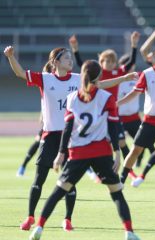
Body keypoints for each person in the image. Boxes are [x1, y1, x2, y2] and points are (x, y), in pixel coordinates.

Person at [27, 60, 140, 240]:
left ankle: (39, 227)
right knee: (117, 193)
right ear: (99, 76)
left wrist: (61, 154)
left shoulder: (72, 98)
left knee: (58, 193)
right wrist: (117, 153)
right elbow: (113, 128)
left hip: (78, 154)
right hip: (102, 153)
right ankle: (129, 232)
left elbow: (67, 129)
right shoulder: (106, 97)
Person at [4, 46, 80, 232]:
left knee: (69, 180)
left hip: (70, 137)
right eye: (66, 58)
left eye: (71, 57)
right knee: (39, 179)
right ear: (55, 62)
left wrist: (124, 78)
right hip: (50, 136)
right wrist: (11, 56)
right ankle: (30, 217)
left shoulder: (78, 79)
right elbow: (21, 73)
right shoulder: (45, 79)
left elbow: (99, 83)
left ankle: (67, 219)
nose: (70, 60)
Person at [69, 32, 140, 161]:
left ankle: (129, 171)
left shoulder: (117, 72)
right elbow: (81, 64)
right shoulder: (97, 74)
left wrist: (134, 45)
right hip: (98, 111)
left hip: (113, 111)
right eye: (106, 61)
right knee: (100, 141)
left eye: (112, 61)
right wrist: (75, 50)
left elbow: (131, 63)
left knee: (121, 142)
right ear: (101, 61)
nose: (109, 63)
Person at [118, 36, 155, 185]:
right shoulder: (147, 74)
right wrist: (116, 103)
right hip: (150, 120)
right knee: (136, 150)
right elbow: (134, 93)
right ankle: (122, 179)